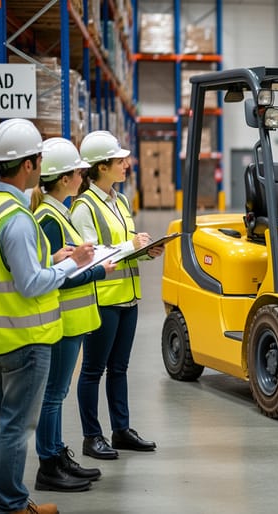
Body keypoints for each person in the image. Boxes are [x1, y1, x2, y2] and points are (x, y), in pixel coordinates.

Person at [0, 119, 94, 514]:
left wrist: (52, 257)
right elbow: (31, 284)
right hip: (27, 337)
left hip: (1, 334)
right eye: (38, 158)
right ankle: (11, 504)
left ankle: (1, 498)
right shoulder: (18, 218)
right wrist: (69, 265)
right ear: (28, 164)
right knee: (15, 426)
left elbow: (11, 266)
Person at [30, 138, 118, 492]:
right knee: (53, 394)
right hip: (62, 320)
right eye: (79, 171)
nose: (83, 174)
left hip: (73, 320)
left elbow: (65, 263)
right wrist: (99, 269)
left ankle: (56, 454)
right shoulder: (49, 218)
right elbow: (55, 277)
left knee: (57, 393)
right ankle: (48, 464)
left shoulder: (59, 212)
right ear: (65, 178)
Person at [72, 131, 164, 460]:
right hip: (102, 299)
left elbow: (126, 248)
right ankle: (91, 436)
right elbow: (91, 255)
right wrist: (131, 246)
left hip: (128, 297)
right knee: (93, 370)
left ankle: (121, 430)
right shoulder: (84, 207)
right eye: (119, 160)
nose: (127, 164)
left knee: (120, 368)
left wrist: (145, 251)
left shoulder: (121, 200)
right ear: (101, 167)